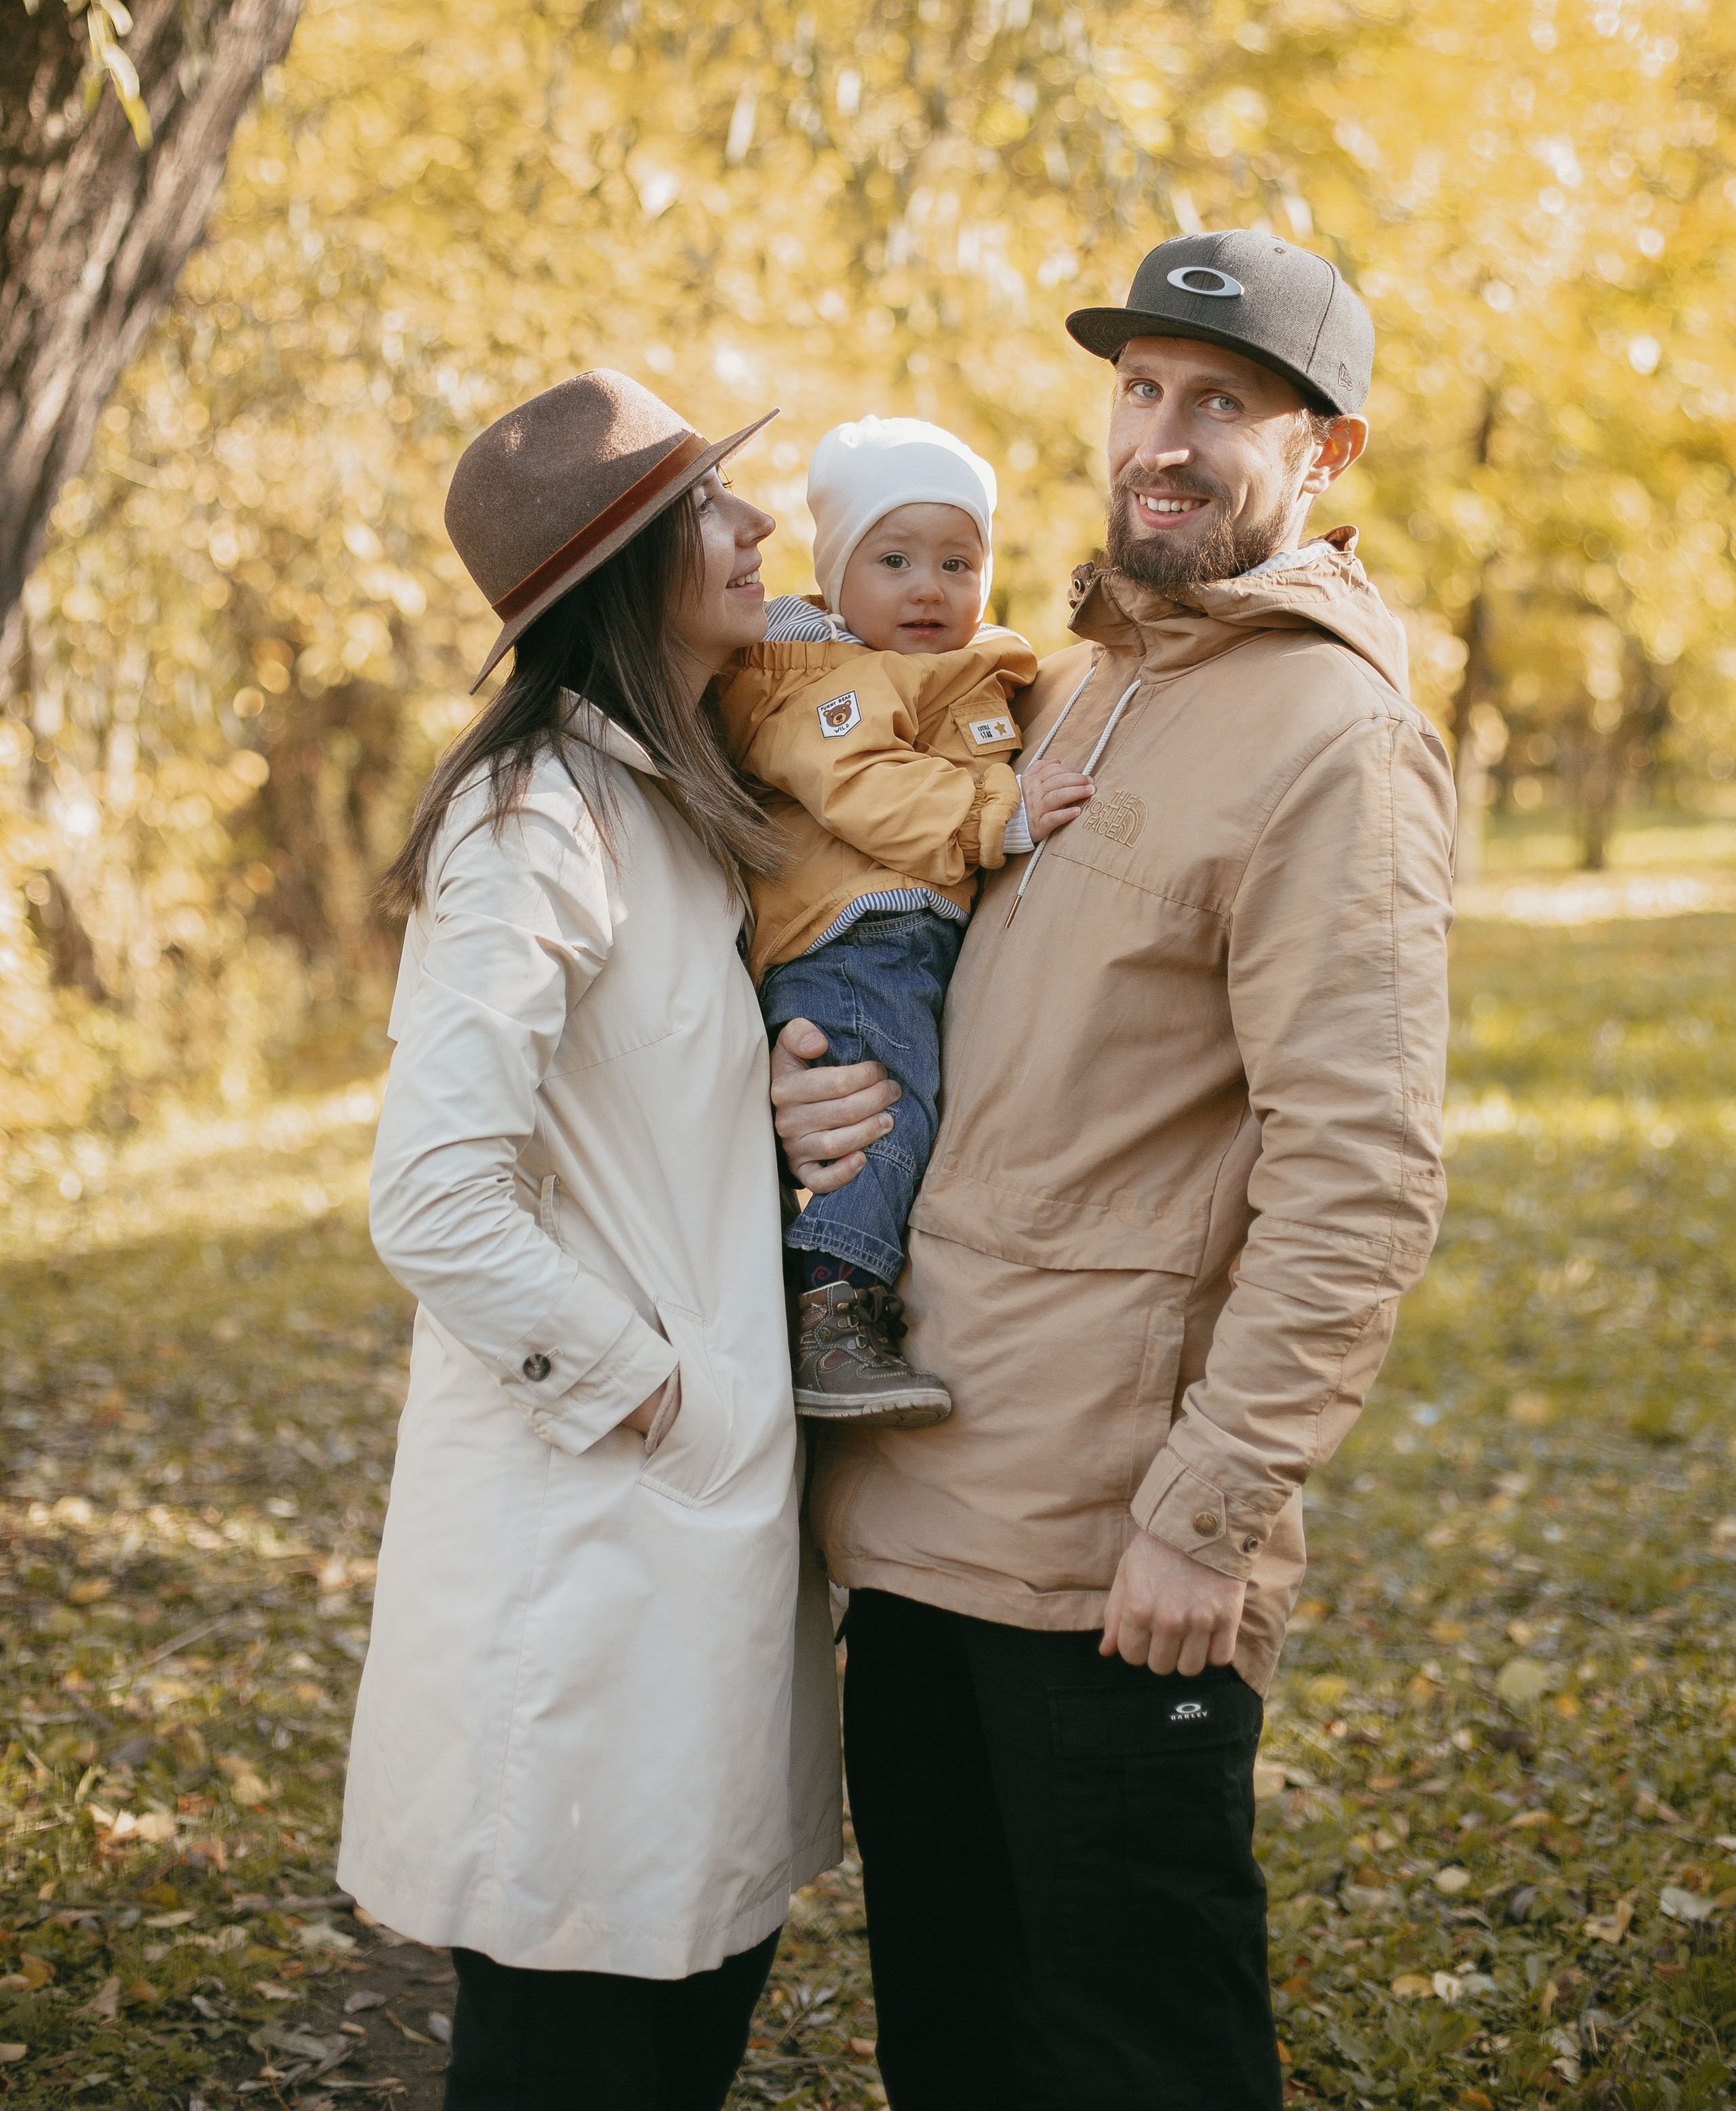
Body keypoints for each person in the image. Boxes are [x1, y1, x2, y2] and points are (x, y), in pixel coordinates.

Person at [772, 229, 1456, 2110]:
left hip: (1106, 1553)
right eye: (1140, 389)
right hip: (916, 1501)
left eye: (1220, 402)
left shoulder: (1334, 743)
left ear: (1326, 452)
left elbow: (1360, 1175)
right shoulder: (1062, 689)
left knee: (1134, 2059)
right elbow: (937, 997)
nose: (1161, 436)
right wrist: (798, 1090)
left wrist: (1205, 1513)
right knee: (960, 2047)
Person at [337, 370, 842, 2111]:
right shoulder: (532, 819)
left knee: (689, 2006)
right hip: (593, 1539)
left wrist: (784, 1108)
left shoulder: (676, 802)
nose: (756, 523)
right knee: (571, 2041)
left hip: (697, 1542)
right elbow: (434, 1197)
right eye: (708, 505)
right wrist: (659, 1395)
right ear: (621, 571)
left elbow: (642, 1109)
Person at [717, 416, 1092, 1425]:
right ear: (835, 576)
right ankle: (831, 1310)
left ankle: (834, 1297)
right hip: (852, 939)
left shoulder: (971, 671)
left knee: (908, 1109)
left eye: (957, 563)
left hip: (908, 941)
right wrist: (998, 814)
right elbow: (865, 786)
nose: (929, 587)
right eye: (894, 561)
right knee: (884, 1113)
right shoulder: (816, 683)